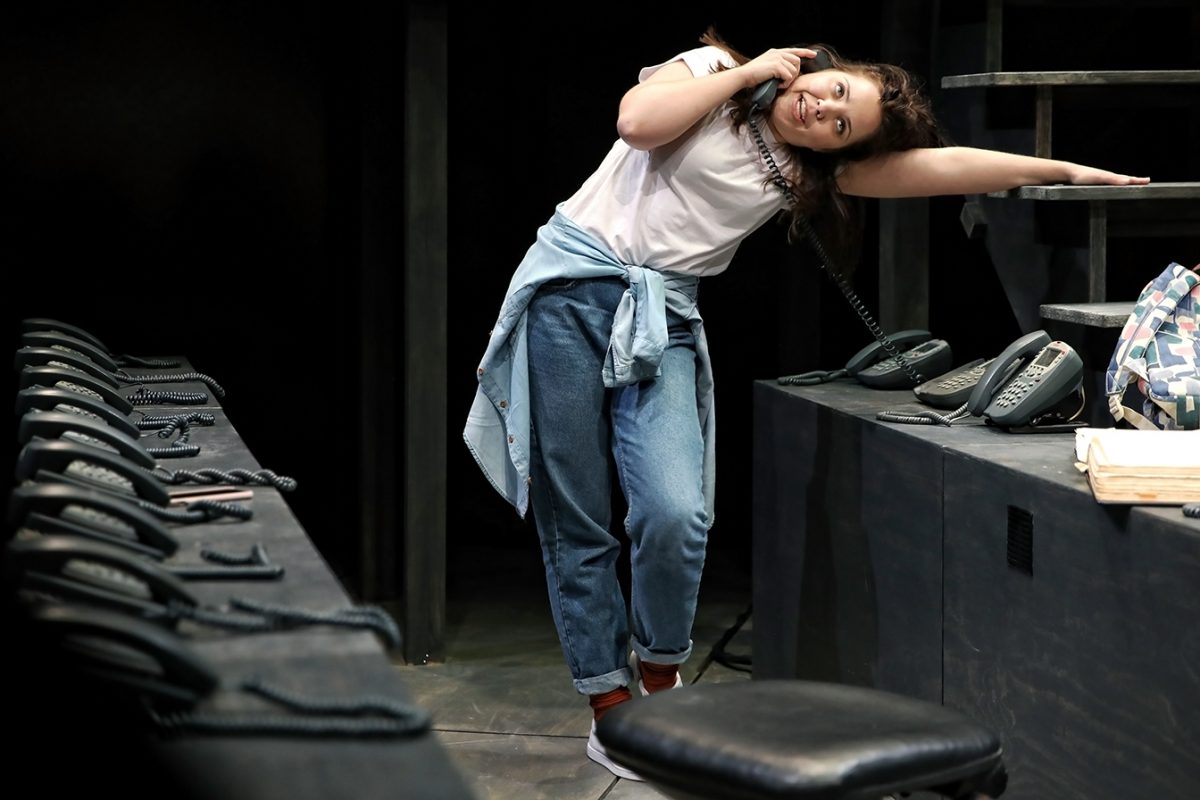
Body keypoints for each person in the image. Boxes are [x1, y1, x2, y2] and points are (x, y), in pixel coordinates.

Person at [462, 27, 1148, 782]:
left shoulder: (804, 172)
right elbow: (637, 122)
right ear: (821, 66)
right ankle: (608, 701)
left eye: (841, 124)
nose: (822, 110)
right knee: (578, 517)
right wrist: (747, 72)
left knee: (675, 513)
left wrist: (1062, 167)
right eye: (834, 91)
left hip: (663, 318)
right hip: (565, 293)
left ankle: (658, 670)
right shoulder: (713, 71)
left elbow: (943, 167)